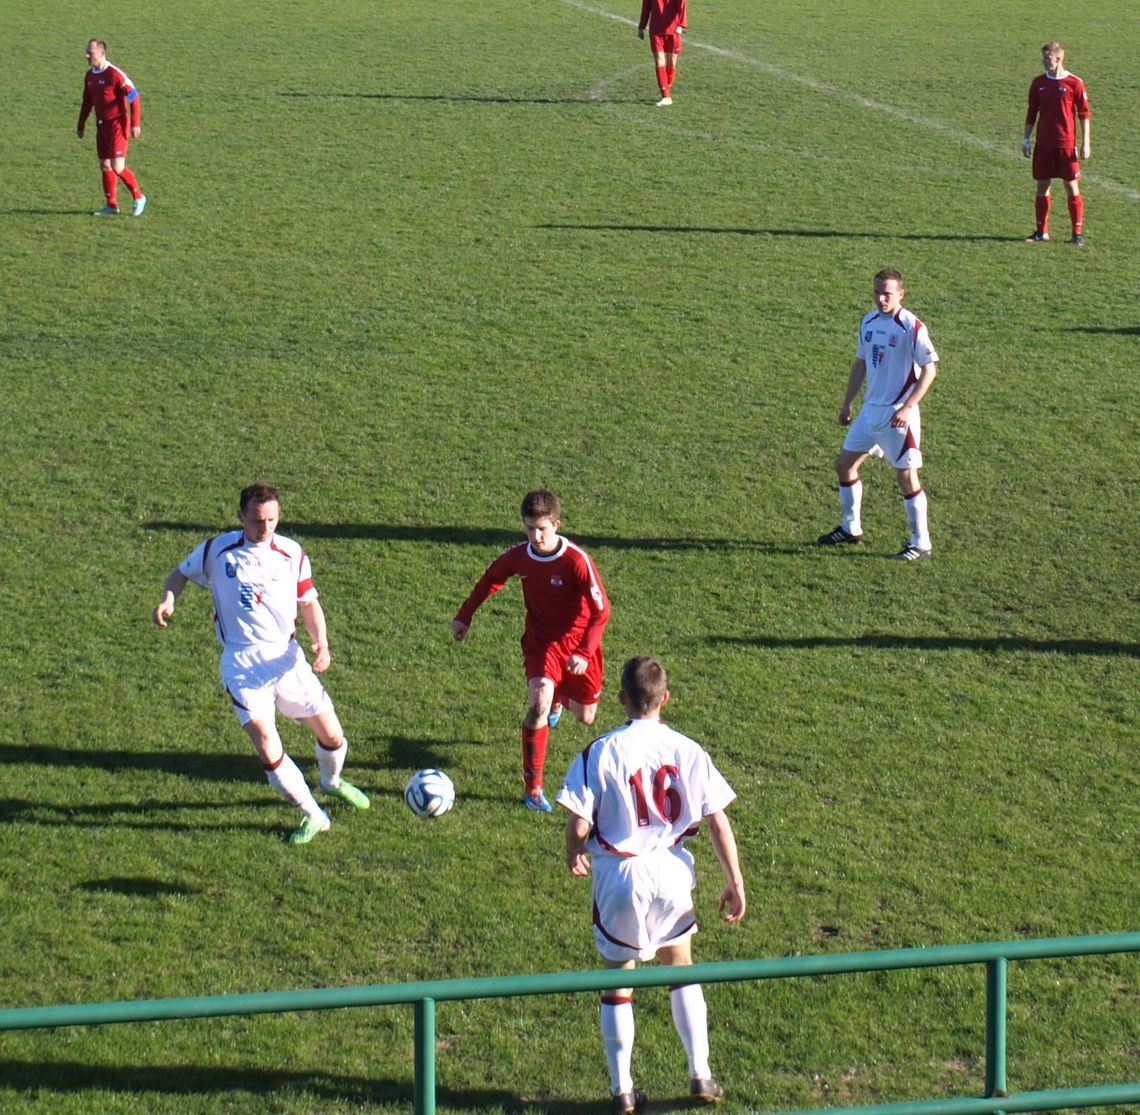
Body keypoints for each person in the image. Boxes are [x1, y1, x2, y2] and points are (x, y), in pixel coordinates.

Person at [556, 655, 746, 1113]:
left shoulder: (600, 751)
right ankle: (700, 1073)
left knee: (617, 982)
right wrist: (734, 880)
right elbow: (717, 821)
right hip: (671, 870)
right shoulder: (688, 749)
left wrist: (572, 851)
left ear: (622, 698)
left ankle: (622, 1088)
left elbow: (578, 825)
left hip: (620, 874)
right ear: (666, 699)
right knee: (681, 970)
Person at [153, 484, 369, 845]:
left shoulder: (292, 553)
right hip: (242, 663)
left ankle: (330, 781)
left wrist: (322, 642)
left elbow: (308, 602)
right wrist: (168, 599)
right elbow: (180, 574)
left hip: (286, 658)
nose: (265, 527)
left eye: (271, 519)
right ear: (241, 517)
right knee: (267, 743)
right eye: (256, 520)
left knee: (332, 736)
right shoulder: (217, 550)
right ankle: (313, 814)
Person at [452, 489, 610, 813]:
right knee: (538, 705)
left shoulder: (576, 561)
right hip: (541, 642)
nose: (536, 536)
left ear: (556, 525)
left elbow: (601, 612)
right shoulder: (519, 557)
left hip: (578, 645)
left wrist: (584, 652)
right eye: (529, 528)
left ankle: (559, 697)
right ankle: (533, 788)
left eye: (542, 529)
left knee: (587, 717)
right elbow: (490, 579)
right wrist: (464, 615)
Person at [818, 268, 940, 560]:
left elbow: (930, 370)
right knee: (844, 466)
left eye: (887, 293)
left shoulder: (912, 327)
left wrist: (908, 407)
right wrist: (847, 403)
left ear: (901, 294)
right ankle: (851, 528)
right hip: (869, 414)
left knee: (906, 477)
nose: (881, 299)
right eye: (877, 292)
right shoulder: (868, 322)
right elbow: (860, 363)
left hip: (897, 416)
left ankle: (921, 543)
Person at [1022, 41, 1091, 246]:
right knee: (1042, 185)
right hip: (1044, 143)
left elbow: (1084, 114)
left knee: (1071, 185)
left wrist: (1085, 142)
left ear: (1058, 58)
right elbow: (1032, 111)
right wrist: (1026, 138)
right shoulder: (1038, 83)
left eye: (1048, 58)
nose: (1044, 62)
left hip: (1066, 144)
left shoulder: (1074, 83)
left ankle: (1076, 234)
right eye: (1043, 58)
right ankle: (1041, 231)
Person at [77, 39, 147, 217]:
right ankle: (111, 205)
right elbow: (87, 102)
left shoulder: (114, 74)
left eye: (90, 53)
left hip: (118, 124)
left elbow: (134, 96)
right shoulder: (90, 76)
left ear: (102, 53)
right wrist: (81, 124)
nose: (86, 55)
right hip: (101, 125)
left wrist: (135, 123)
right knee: (105, 165)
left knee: (117, 166)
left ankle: (139, 197)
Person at [638, 0, 687, 107]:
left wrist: (681, 24)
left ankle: (667, 90)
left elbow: (682, 4)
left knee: (671, 63)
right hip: (656, 30)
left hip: (673, 30)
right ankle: (666, 96)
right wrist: (642, 26)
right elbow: (646, 7)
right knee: (660, 61)